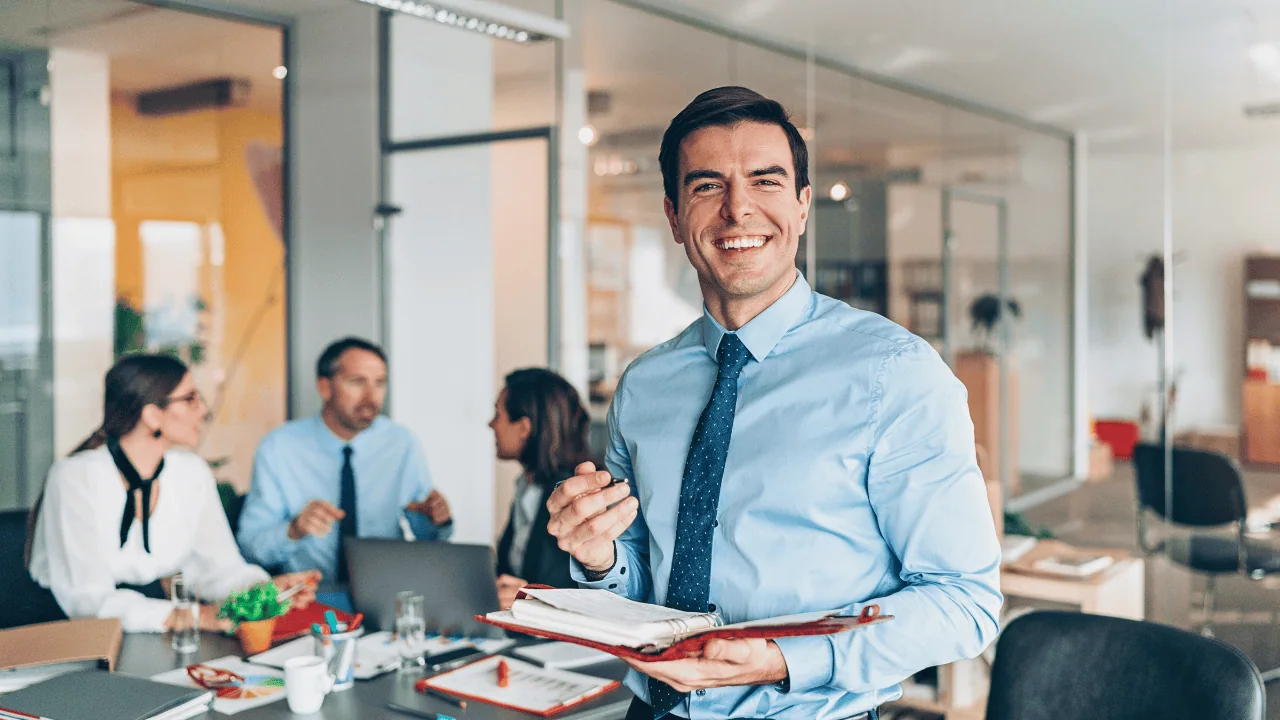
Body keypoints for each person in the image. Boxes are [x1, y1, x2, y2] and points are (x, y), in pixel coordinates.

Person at [545, 87, 1002, 720]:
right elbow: (646, 582)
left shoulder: (895, 374)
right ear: (675, 218)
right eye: (708, 186)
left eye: (765, 181)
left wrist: (784, 658)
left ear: (803, 206)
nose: (739, 209)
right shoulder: (644, 385)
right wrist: (599, 560)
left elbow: (963, 603)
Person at [26, 354, 317, 633]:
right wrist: (192, 617)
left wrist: (264, 590)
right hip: (72, 637)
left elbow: (218, 568)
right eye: (190, 399)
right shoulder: (74, 478)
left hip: (156, 629)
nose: (203, 410)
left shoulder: (190, 472)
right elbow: (87, 600)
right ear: (152, 415)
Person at [237, 337, 453, 582]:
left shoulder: (402, 443)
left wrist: (436, 520)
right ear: (324, 388)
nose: (371, 397)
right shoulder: (279, 447)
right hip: (309, 596)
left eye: (380, 383)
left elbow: (431, 540)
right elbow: (250, 547)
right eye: (357, 382)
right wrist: (294, 530)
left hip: (386, 591)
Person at [490, 368, 593, 609]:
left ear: (524, 427)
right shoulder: (525, 488)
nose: (491, 424)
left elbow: (588, 596)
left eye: (498, 414)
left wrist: (535, 599)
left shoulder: (574, 496)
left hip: (559, 642)